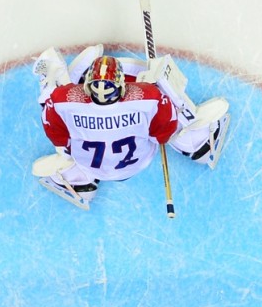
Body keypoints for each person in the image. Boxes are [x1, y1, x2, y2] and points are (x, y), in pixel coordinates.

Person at [32, 46, 230, 209]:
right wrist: (155, 84)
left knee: (50, 86)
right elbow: (163, 134)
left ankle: (79, 180)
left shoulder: (62, 102)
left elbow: (57, 134)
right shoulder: (149, 97)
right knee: (163, 82)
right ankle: (197, 143)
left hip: (89, 165)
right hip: (139, 161)